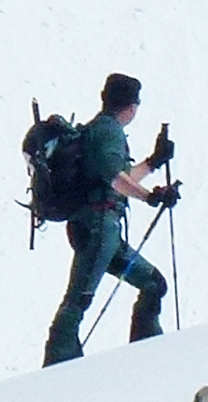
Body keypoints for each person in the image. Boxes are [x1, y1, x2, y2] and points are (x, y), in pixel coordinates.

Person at [45, 73, 177, 365]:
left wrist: (153, 162)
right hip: (99, 227)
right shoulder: (108, 132)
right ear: (131, 106)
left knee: (153, 283)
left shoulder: (97, 129)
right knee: (80, 296)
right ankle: (58, 363)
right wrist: (150, 197)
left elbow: (115, 178)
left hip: (98, 228)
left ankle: (144, 350)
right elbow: (115, 179)